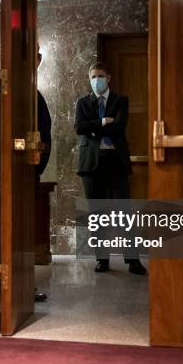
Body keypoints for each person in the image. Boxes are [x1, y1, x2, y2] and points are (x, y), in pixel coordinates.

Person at [74, 62, 147, 275]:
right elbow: (79, 127)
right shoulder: (83, 103)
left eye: (100, 76)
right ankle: (102, 260)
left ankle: (133, 261)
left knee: (124, 214)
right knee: (97, 214)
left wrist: (95, 127)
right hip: (91, 164)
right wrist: (103, 121)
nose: (97, 80)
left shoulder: (120, 101)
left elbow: (119, 127)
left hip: (116, 162)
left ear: (109, 77)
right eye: (93, 76)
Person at [0, 47, 51, 302]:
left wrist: (35, 169)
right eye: (31, 54)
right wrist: (30, 167)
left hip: (21, 174)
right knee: (5, 232)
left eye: (37, 56)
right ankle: (8, 288)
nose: (34, 60)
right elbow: (12, 138)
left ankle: (13, 286)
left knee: (16, 234)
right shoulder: (2, 89)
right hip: (6, 175)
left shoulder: (31, 94)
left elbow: (42, 138)